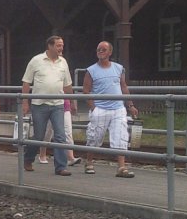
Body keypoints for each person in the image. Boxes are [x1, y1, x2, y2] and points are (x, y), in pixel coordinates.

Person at [82, 40, 137, 178]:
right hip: (100, 108)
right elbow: (86, 90)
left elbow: (123, 86)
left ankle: (121, 167)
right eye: (98, 49)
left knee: (121, 136)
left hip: (118, 108)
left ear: (110, 52)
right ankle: (89, 161)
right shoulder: (91, 70)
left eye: (103, 49)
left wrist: (130, 105)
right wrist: (93, 107)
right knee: (94, 137)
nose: (100, 51)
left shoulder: (119, 68)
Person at [21, 35, 74, 176]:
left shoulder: (63, 62)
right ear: (50, 46)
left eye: (62, 45)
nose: (61, 48)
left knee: (60, 135)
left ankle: (61, 167)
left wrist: (73, 101)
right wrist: (25, 102)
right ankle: (28, 158)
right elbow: (26, 82)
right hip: (39, 104)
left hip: (58, 104)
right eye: (58, 45)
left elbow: (67, 84)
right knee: (39, 136)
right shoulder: (36, 60)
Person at [38, 98, 81, 166]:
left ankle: (70, 157)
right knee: (48, 132)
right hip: (51, 105)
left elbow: (69, 90)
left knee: (68, 132)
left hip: (65, 106)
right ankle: (42, 154)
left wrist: (73, 103)